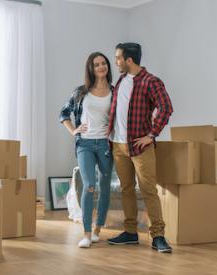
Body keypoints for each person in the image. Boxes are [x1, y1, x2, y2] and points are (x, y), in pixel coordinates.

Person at [107, 42, 174, 253]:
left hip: (139, 146)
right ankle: (130, 233)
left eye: (118, 58)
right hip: (118, 144)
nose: (115, 61)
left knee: (148, 191)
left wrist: (152, 134)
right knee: (126, 189)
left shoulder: (151, 81)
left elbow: (166, 107)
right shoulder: (120, 81)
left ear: (129, 60)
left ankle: (158, 236)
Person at [59, 52, 114, 248]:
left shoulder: (115, 92)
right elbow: (64, 114)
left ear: (107, 66)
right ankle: (87, 234)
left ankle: (98, 229)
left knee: (105, 187)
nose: (101, 67)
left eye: (103, 63)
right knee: (90, 184)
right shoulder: (81, 92)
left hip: (106, 145)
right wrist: (74, 131)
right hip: (85, 145)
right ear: (91, 68)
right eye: (96, 64)